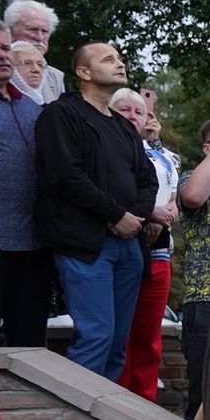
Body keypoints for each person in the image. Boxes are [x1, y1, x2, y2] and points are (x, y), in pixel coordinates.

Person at [35, 44, 158, 378]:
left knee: (117, 344)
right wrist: (115, 215)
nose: (119, 63)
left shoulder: (123, 126)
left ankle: (106, 411)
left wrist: (135, 217)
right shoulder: (61, 114)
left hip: (129, 246)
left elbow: (147, 179)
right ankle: (76, 413)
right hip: (86, 245)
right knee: (96, 337)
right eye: (108, 59)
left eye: (119, 58)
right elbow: (65, 175)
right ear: (83, 73)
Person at [0, 17, 51, 347]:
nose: (1, 55)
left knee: (30, 344)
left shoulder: (32, 107)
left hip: (33, 243)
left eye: (5, 47)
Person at [112, 90, 180, 401]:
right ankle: (116, 404)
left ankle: (144, 406)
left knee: (148, 336)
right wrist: (149, 212)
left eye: (138, 112)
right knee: (119, 334)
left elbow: (174, 196)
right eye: (123, 109)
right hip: (120, 247)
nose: (132, 116)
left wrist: (167, 214)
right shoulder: (103, 145)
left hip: (158, 252)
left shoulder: (165, 156)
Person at [177, 115, 210, 420]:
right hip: (206, 298)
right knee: (203, 390)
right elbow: (193, 196)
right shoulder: (190, 178)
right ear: (207, 148)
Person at [4, 0, 65, 101]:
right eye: (32, 29)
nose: (39, 37)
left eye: (45, 31)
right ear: (10, 32)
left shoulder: (55, 77)